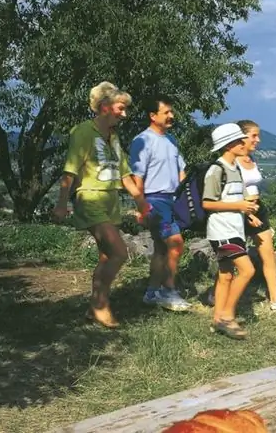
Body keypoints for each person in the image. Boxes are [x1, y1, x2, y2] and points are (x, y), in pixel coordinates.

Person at [53, 81, 151, 328]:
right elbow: (71, 170)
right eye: (121, 108)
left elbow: (126, 176)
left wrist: (142, 206)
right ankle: (100, 306)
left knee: (107, 256)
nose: (125, 113)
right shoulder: (83, 132)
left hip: (111, 201)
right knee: (120, 252)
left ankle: (93, 306)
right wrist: (62, 204)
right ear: (105, 106)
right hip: (90, 198)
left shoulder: (114, 137)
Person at [130, 94, 190, 311]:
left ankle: (152, 292)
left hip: (173, 199)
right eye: (167, 112)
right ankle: (168, 291)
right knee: (176, 243)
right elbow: (137, 176)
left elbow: (181, 171)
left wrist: (186, 197)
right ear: (153, 116)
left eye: (171, 112)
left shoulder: (171, 140)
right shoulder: (142, 141)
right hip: (155, 200)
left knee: (160, 249)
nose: (171, 116)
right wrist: (141, 206)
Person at [202, 123, 260, 339]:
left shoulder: (235, 168)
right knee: (247, 270)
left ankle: (217, 319)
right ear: (228, 145)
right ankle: (227, 315)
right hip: (222, 231)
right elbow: (208, 203)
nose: (244, 143)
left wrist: (248, 213)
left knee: (226, 275)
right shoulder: (216, 170)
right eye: (239, 140)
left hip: (234, 229)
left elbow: (237, 198)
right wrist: (239, 207)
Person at [236, 120, 276, 311]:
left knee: (268, 254)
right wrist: (247, 214)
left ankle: (275, 298)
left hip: (258, 210)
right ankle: (221, 295)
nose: (258, 139)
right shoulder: (232, 161)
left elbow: (253, 186)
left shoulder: (251, 158)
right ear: (242, 137)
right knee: (232, 256)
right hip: (240, 212)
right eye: (254, 135)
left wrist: (257, 208)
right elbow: (231, 192)